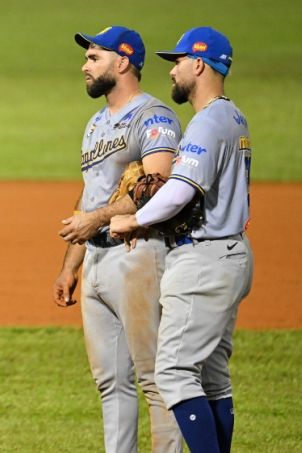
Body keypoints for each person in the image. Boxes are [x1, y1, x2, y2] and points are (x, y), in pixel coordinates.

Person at [111, 27, 253, 453]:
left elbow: (179, 192)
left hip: (205, 261)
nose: (171, 71)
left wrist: (134, 220)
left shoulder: (208, 122)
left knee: (173, 371)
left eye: (177, 62)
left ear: (199, 64)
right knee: (211, 376)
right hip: (231, 255)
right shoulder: (233, 115)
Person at [52, 26, 184, 453]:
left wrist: (98, 219)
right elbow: (89, 198)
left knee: (156, 379)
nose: (84, 66)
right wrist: (70, 266)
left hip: (138, 256)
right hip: (94, 262)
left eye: (94, 57)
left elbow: (159, 184)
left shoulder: (154, 116)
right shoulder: (95, 123)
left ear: (123, 62)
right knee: (111, 382)